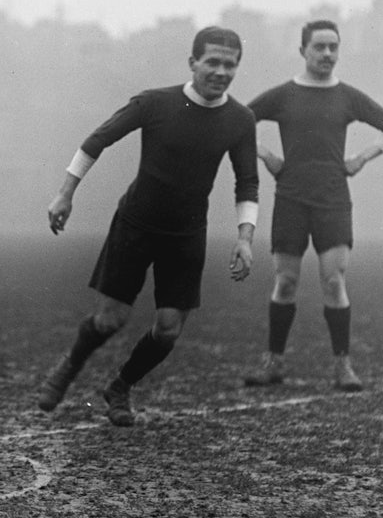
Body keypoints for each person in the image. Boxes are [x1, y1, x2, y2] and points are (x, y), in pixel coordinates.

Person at [38, 26, 259, 427]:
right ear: (193, 63)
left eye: (230, 64)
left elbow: (247, 181)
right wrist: (65, 194)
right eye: (212, 61)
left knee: (169, 331)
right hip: (136, 225)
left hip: (187, 235)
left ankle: (120, 387)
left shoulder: (241, 120)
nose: (220, 71)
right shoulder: (156, 103)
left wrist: (245, 237)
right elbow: (97, 140)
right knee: (110, 320)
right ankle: (70, 365)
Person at [243, 19, 383, 392]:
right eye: (320, 47)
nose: (328, 54)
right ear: (303, 51)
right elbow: (236, 122)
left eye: (334, 47)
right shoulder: (283, 95)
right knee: (286, 282)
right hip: (291, 198)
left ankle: (343, 366)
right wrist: (265, 155)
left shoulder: (347, 96)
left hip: (333, 199)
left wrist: (363, 157)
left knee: (333, 281)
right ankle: (274, 364)